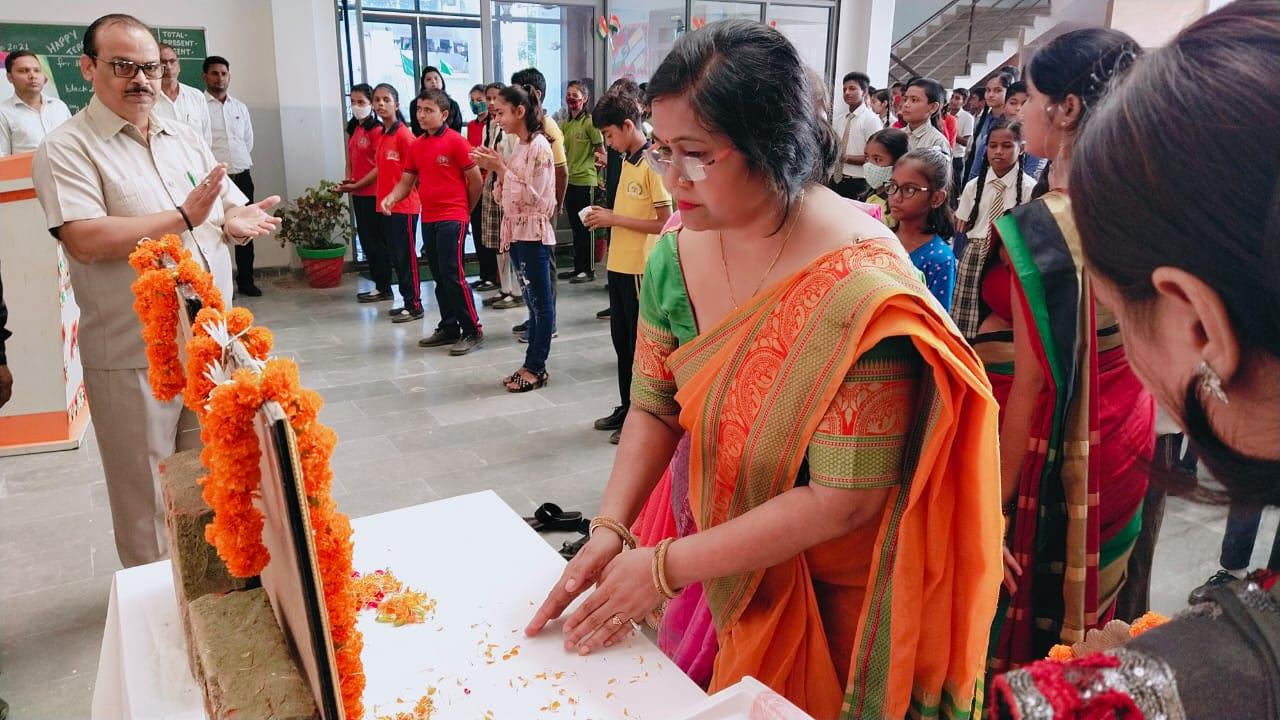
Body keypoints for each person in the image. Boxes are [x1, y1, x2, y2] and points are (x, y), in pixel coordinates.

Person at [523, 20, 1001, 718]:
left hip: (826, 594)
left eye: (696, 155)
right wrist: (612, 528)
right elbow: (654, 404)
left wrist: (665, 566)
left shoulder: (859, 289)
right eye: (663, 149)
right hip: (710, 557)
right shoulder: (678, 248)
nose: (672, 178)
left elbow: (844, 500)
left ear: (773, 145)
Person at [993, 3, 1280, 715]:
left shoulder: (1131, 697)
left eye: (1121, 309)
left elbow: (1032, 381)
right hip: (1118, 445)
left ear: (1199, 324)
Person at [30, 13, 280, 568]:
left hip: (210, 345)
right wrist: (181, 219)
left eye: (150, 67)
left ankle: (210, 595)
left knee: (212, 479)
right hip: (135, 353)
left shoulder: (182, 135)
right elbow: (84, 238)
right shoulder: (67, 148)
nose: (141, 79)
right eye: (124, 66)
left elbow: (225, 203)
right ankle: (154, 603)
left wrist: (236, 220)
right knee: (147, 496)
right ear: (88, 68)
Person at [982, 27, 1152, 674]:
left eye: (1027, 96)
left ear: (1068, 108)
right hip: (1121, 427)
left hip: (1056, 441)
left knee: (1027, 613)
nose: (1019, 110)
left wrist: (993, 507)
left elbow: (1031, 385)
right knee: (1095, 605)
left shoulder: (1051, 227)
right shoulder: (1140, 202)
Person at [586, 92, 672, 444]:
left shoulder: (653, 164)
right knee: (622, 344)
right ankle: (626, 406)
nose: (608, 142)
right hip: (619, 266)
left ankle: (642, 416)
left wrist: (614, 219)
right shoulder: (626, 161)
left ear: (626, 126)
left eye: (609, 134)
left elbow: (665, 222)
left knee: (640, 349)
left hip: (640, 268)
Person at [383, 89, 485, 355]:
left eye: (428, 110)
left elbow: (476, 181)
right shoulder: (417, 145)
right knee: (439, 276)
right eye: (419, 110)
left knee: (453, 274)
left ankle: (472, 330)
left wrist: (465, 210)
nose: (422, 115)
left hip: (453, 217)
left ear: (444, 114)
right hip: (429, 217)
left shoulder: (456, 142)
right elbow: (406, 181)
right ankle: (449, 326)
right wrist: (391, 198)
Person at [472, 83, 556, 392]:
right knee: (532, 303)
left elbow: (534, 197)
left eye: (501, 113)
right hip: (518, 231)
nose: (497, 120)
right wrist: (496, 169)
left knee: (541, 305)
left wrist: (500, 168)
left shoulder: (539, 146)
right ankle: (531, 364)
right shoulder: (520, 145)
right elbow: (503, 196)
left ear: (520, 111)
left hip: (533, 234)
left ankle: (536, 367)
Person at [203, 55, 260, 297]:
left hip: (242, 176)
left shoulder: (239, 107)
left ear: (229, 76)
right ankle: (221, 287)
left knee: (246, 229)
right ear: (205, 76)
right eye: (215, 73)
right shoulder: (199, 107)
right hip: (214, 180)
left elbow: (248, 141)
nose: (220, 78)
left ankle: (246, 281)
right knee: (215, 232)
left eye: (224, 73)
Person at [335, 83, 392, 304]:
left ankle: (384, 286)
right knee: (367, 241)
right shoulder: (355, 129)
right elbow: (350, 161)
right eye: (353, 102)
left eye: (361, 102)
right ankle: (379, 285)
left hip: (373, 193)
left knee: (376, 242)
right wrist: (348, 182)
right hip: (359, 193)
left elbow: (380, 167)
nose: (356, 106)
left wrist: (358, 185)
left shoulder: (376, 130)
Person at [371, 83, 423, 324]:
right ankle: (406, 300)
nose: (381, 104)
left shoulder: (404, 135)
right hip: (387, 206)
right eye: (377, 100)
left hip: (405, 207)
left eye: (386, 99)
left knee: (406, 257)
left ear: (396, 104)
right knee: (396, 256)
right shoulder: (383, 134)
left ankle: (414, 305)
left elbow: (416, 172)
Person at [888, 148, 956, 310]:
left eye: (909, 189)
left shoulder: (939, 258)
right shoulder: (881, 237)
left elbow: (936, 317)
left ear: (936, 198)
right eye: (893, 186)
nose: (896, 197)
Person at [478, 82, 524, 311]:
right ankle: (505, 288)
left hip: (508, 183)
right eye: (488, 98)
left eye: (496, 99)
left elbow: (513, 161)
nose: (491, 103)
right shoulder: (490, 125)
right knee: (497, 239)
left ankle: (517, 291)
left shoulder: (515, 132)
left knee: (510, 240)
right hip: (493, 181)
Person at [954, 118, 1035, 244]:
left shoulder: (1030, 189)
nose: (998, 151)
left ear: (1021, 148)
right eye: (993, 146)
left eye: (1007, 146)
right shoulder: (972, 186)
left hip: (1010, 251)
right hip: (973, 249)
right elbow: (961, 230)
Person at [561, 80, 604, 283]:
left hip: (586, 181)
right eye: (568, 94)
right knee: (576, 228)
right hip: (570, 181)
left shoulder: (590, 122)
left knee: (587, 227)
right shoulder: (566, 123)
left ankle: (588, 269)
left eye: (575, 95)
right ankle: (578, 267)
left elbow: (601, 152)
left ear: (585, 99)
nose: (570, 98)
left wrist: (598, 175)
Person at [0, 50, 72, 155]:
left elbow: (73, 145)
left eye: (37, 70)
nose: (33, 76)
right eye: (24, 71)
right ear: (10, 77)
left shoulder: (59, 107)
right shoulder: (3, 112)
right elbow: (3, 157)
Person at [464, 83, 500, 293]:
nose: (478, 103)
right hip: (476, 181)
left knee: (491, 233)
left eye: (481, 99)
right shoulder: (472, 125)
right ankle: (484, 274)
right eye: (474, 100)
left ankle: (494, 276)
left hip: (490, 180)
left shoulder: (497, 124)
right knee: (478, 230)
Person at [830, 71, 883, 200]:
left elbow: (876, 156)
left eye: (852, 88)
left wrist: (845, 158)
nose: (847, 92)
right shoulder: (839, 120)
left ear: (864, 92)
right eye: (844, 90)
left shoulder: (871, 120)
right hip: (836, 179)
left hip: (858, 181)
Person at [153, 42, 210, 146]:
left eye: (172, 61)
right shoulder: (148, 100)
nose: (168, 67)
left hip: (195, 156)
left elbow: (206, 138)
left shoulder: (197, 97)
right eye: (162, 62)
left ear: (178, 65)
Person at [962, 70, 1014, 184]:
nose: (990, 95)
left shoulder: (1011, 124)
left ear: (1009, 92)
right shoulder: (984, 120)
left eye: (998, 90)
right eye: (988, 90)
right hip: (977, 181)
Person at [859, 127, 908, 229]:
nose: (869, 165)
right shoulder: (871, 195)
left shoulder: (897, 205)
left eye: (877, 159)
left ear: (898, 162)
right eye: (867, 157)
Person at [1002, 80, 1046, 179]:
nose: (1018, 108)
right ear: (1004, 106)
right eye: (1013, 103)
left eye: (1025, 103)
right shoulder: (989, 138)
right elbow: (974, 175)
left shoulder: (1037, 144)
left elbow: (1031, 178)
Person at [900, 77, 950, 156]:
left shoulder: (937, 142)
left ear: (933, 107)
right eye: (905, 99)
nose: (906, 105)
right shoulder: (897, 135)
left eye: (914, 100)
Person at [409, 66, 462, 135]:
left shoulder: (453, 104)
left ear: (442, 82)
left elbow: (457, 130)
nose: (433, 82)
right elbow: (416, 130)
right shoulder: (415, 104)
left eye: (436, 78)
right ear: (423, 84)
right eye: (428, 79)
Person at [947, 88, 975, 202]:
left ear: (964, 102)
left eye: (957, 98)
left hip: (956, 159)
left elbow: (966, 142)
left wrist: (951, 133)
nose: (953, 100)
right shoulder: (945, 114)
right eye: (952, 97)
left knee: (954, 193)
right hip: (944, 156)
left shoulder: (967, 118)